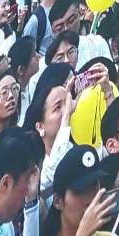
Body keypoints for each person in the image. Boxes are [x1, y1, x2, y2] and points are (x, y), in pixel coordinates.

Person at [23, 61, 75, 191]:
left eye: (67, 103)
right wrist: (66, 116)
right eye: (58, 107)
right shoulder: (34, 162)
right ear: (40, 126)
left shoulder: (72, 147)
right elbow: (52, 174)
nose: (67, 109)